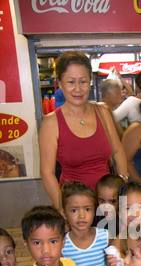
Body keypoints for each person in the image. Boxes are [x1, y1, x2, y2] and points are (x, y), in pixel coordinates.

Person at [39, 51, 127, 211]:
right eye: (71, 82)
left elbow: (118, 152)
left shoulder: (102, 112)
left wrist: (122, 187)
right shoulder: (51, 123)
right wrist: (63, 209)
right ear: (60, 83)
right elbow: (47, 173)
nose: (77, 88)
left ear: (90, 82)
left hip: (108, 206)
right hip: (75, 208)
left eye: (83, 81)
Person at [95, 174, 124, 238]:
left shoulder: (125, 220)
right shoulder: (94, 218)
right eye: (102, 201)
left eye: (112, 202)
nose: (106, 207)